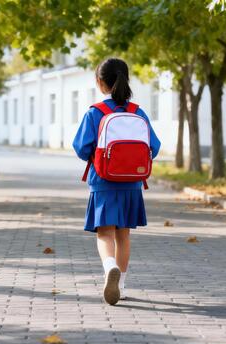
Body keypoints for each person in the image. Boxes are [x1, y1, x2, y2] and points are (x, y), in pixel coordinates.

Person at [72, 58, 161, 305]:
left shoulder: (95, 112)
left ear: (100, 83)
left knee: (104, 233)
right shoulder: (138, 112)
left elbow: (81, 148)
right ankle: (120, 283)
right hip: (132, 184)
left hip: (103, 182)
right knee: (124, 235)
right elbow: (155, 146)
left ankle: (109, 266)